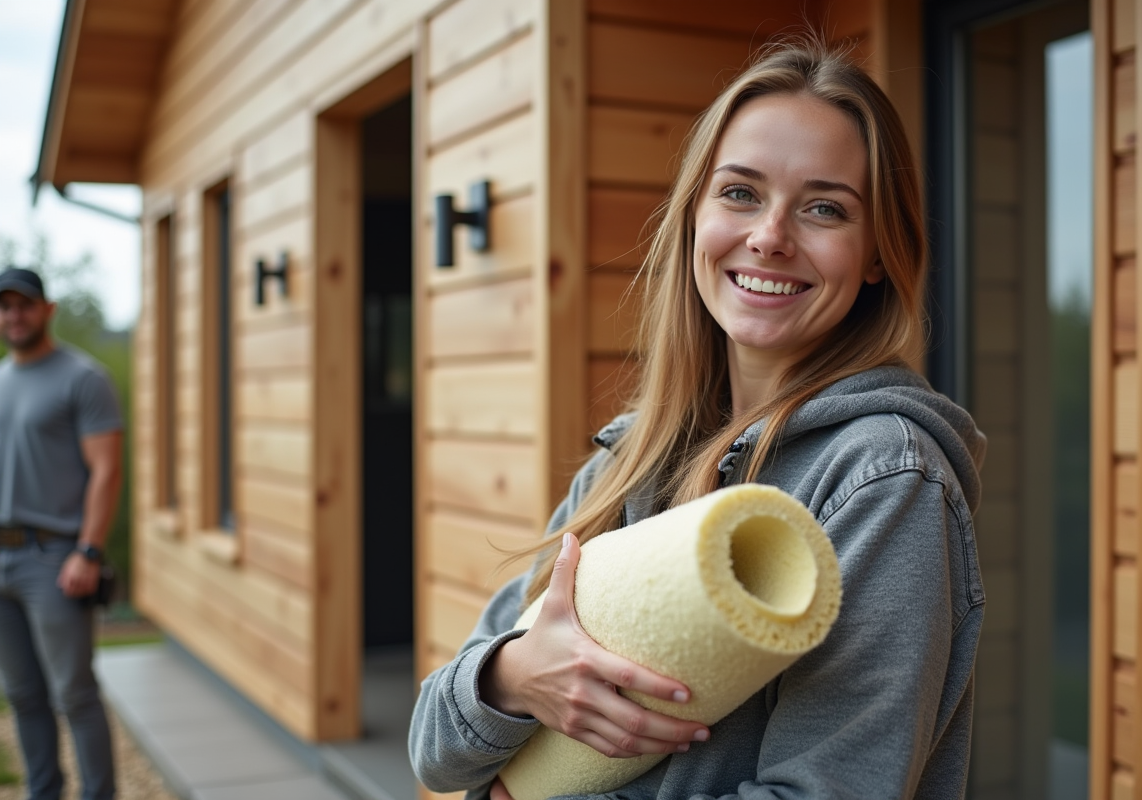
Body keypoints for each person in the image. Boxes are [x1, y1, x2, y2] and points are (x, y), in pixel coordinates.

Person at [409, 40, 986, 800]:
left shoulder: (884, 476)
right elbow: (434, 751)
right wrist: (513, 676)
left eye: (824, 208)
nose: (770, 235)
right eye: (740, 193)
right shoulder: (629, 458)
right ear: (693, 218)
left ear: (878, 251)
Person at [0, 267, 122, 800]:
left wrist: (88, 551)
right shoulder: (1, 378)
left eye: (23, 305)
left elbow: (107, 470)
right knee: (23, 695)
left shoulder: (82, 377)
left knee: (74, 695)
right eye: (4, 307)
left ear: (47, 310)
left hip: (56, 560)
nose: (13, 316)